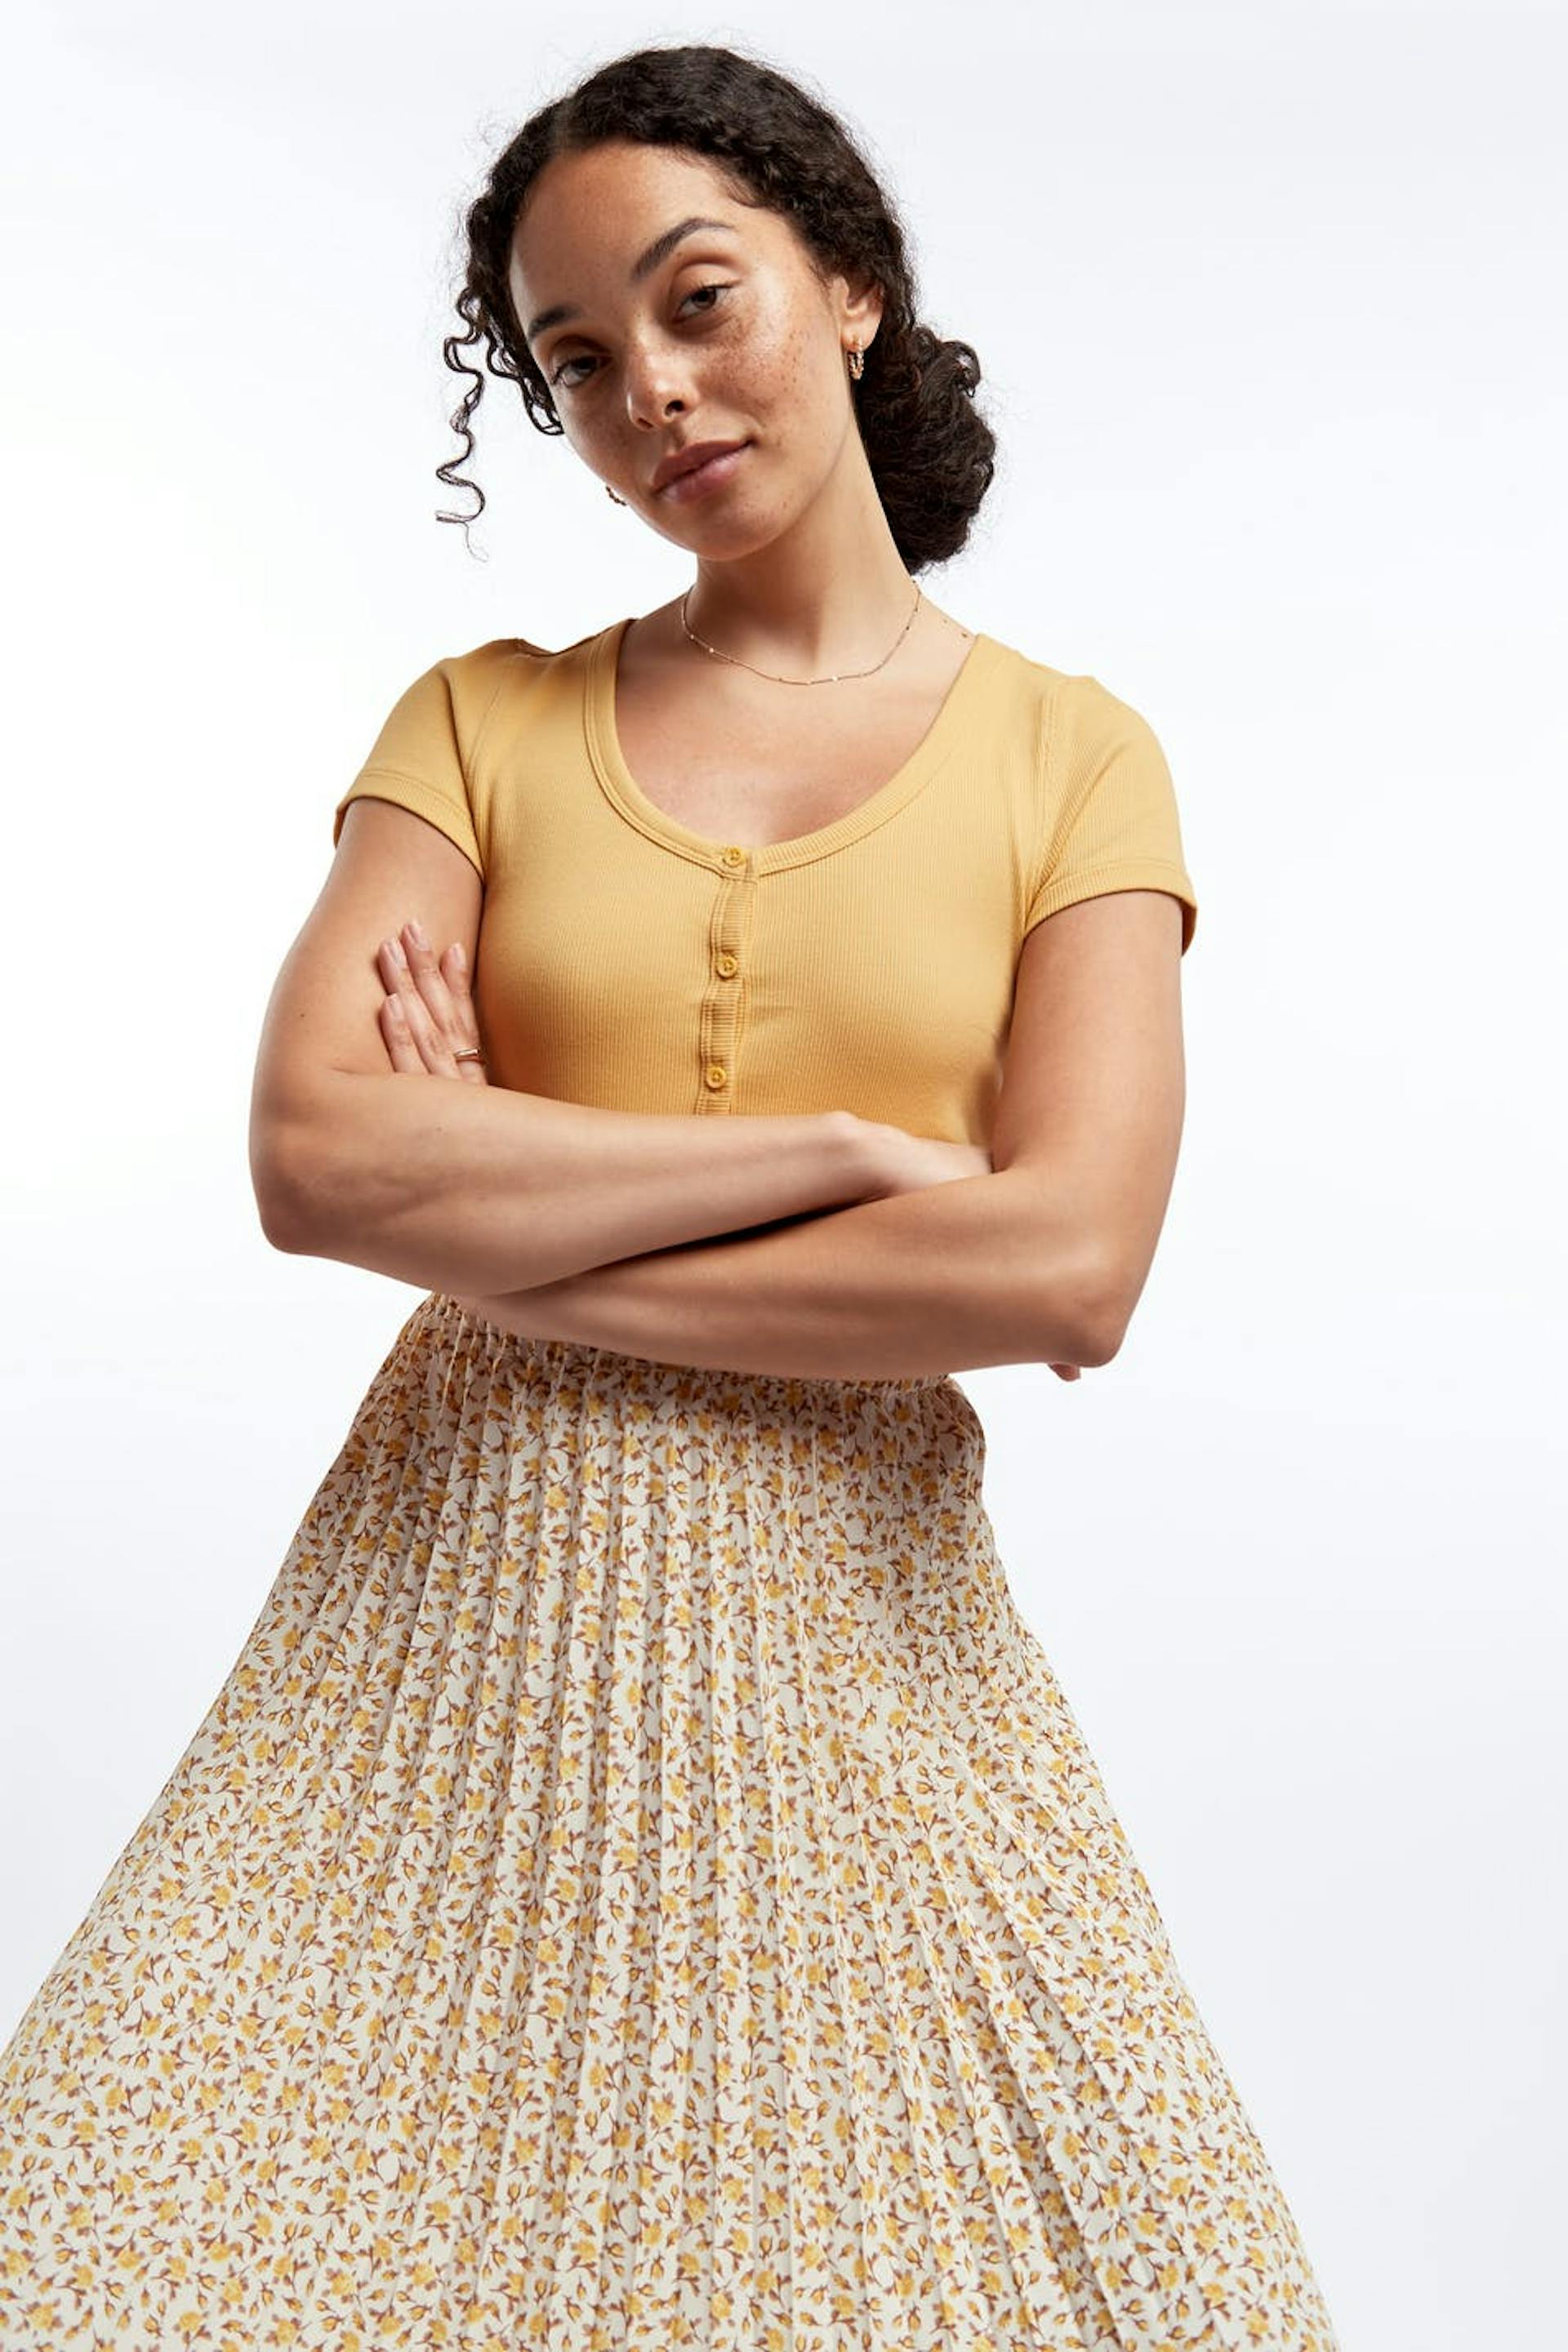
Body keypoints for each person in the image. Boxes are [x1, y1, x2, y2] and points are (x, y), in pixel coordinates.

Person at [0, 39, 1343, 2352]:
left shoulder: (1072, 756)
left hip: (861, 1664)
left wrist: (509, 1224)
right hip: (432, 1655)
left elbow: (1063, 1262)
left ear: (851, 287)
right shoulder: (478, 722)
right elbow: (317, 1160)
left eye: (697, 303)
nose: (653, 397)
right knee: (123, 2237)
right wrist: (835, 1165)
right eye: (578, 363)